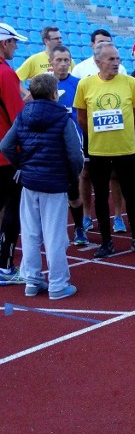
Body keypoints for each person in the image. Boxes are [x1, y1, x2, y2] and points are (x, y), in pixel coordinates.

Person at [0, 74, 84, 299]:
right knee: (55, 235)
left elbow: (5, 145)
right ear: (55, 93)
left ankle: (32, 280)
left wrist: (22, 165)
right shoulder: (63, 118)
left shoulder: (22, 115)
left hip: (29, 183)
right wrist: (72, 175)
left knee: (30, 233)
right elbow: (75, 154)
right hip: (55, 184)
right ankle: (57, 284)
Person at [74, 41, 135, 258]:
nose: (116, 63)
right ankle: (106, 241)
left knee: (131, 195)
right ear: (98, 62)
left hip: (125, 150)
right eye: (111, 59)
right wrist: (96, 136)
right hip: (98, 151)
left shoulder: (130, 83)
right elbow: (81, 116)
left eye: (118, 58)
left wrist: (130, 136)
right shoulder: (86, 85)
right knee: (100, 196)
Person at [71, 28, 127, 234]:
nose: (104, 45)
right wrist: (89, 132)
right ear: (92, 45)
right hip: (90, 135)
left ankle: (119, 216)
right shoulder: (80, 69)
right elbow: (79, 107)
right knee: (85, 174)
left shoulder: (121, 69)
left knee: (116, 176)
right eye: (101, 42)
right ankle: (86, 215)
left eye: (108, 41)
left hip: (117, 134)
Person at [48, 45, 89, 247]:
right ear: (51, 62)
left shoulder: (79, 84)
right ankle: (52, 231)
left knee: (74, 191)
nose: (63, 64)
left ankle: (79, 227)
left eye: (67, 60)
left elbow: (83, 114)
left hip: (72, 144)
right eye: (59, 60)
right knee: (51, 193)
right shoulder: (43, 85)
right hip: (50, 147)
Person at [0, 23, 27, 286]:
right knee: (12, 210)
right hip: (6, 156)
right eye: (14, 42)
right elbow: (18, 119)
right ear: (4, 43)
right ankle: (5, 267)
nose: (16, 47)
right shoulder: (6, 74)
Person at [16, 26, 75, 99]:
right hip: (43, 104)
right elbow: (14, 79)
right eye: (56, 38)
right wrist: (27, 93)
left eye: (60, 38)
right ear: (46, 41)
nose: (60, 40)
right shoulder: (34, 59)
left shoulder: (69, 60)